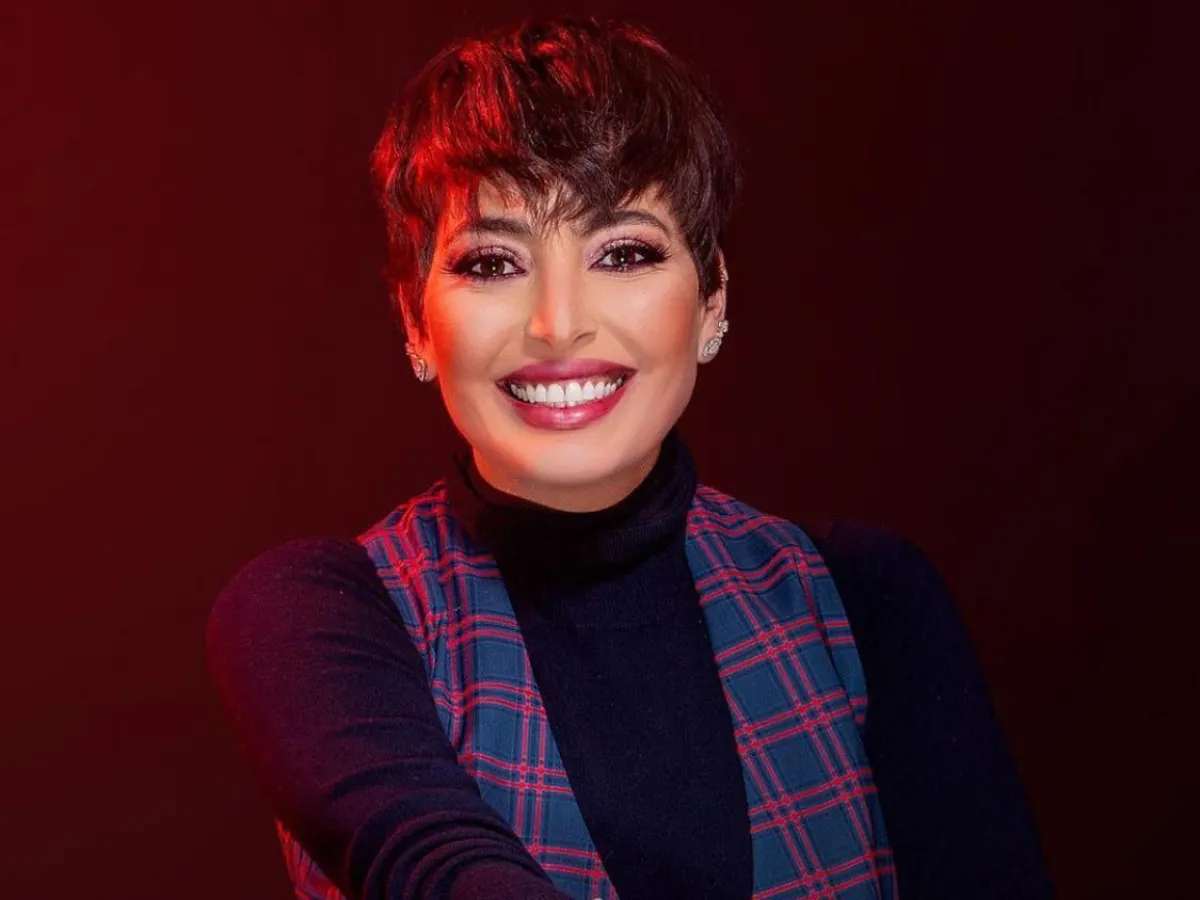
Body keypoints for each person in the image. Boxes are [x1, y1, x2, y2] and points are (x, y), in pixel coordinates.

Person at [206, 16, 1051, 900]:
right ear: (416, 321)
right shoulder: (315, 616)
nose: (559, 324)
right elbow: (439, 870)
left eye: (624, 252)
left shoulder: (863, 601)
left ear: (712, 301)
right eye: (492, 263)